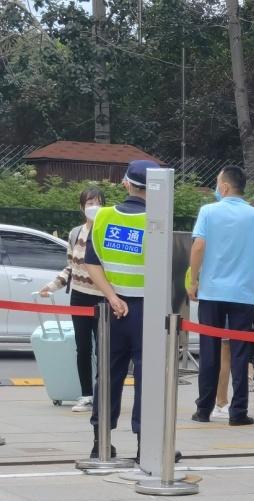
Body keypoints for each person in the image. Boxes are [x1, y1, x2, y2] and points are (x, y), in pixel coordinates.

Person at [82, 159, 161, 459]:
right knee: (146, 378)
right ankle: (144, 447)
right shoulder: (157, 221)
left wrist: (112, 297)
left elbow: (92, 263)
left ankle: (100, 442)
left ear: (126, 183)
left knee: (108, 375)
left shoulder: (102, 216)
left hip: (111, 308)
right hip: (146, 309)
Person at [188, 165, 254, 427]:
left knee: (210, 349)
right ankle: (238, 412)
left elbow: (199, 245)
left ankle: (204, 409)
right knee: (240, 353)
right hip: (243, 293)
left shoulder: (208, 211)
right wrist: (251, 263)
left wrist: (194, 279)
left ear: (224, 187)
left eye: (217, 183)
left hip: (212, 291)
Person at [38, 187, 105, 412]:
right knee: (83, 348)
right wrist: (52, 286)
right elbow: (70, 267)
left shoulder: (108, 232)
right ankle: (86, 395)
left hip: (103, 298)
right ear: (81, 207)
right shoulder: (75, 233)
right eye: (89, 203)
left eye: (97, 202)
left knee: (104, 349)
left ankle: (104, 395)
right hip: (79, 296)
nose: (93, 207)